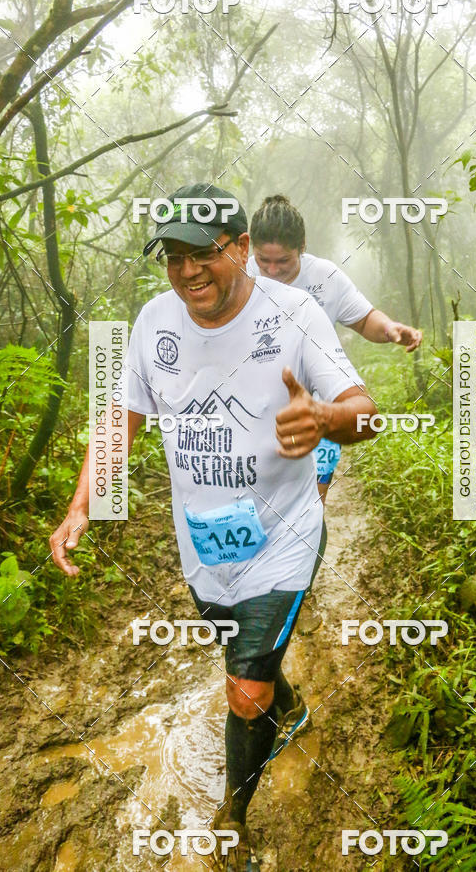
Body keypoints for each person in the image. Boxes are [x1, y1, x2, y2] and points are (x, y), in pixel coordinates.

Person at [49, 183, 377, 871]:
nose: (189, 270)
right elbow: (123, 418)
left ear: (242, 249)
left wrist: (327, 419)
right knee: (243, 659)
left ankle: (234, 810)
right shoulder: (152, 323)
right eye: (174, 256)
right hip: (205, 543)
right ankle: (284, 697)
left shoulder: (295, 314)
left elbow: (365, 411)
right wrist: (81, 502)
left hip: (284, 536)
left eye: (203, 254)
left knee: (244, 688)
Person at [248, 195, 422, 634]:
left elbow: (364, 319)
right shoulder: (241, 276)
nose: (271, 271)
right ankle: (254, 576)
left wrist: (393, 331)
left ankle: (291, 580)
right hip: (254, 410)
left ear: (302, 248)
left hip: (322, 408)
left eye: (282, 262)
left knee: (311, 497)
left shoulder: (325, 278)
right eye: (262, 260)